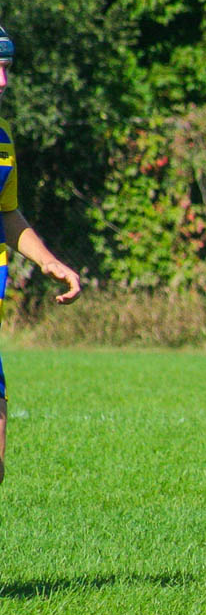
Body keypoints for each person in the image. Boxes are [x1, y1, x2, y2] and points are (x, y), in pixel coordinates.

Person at [0, 24, 84, 485]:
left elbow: (7, 213)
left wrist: (47, 260)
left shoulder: (3, 136)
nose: (3, 82)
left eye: (7, 68)